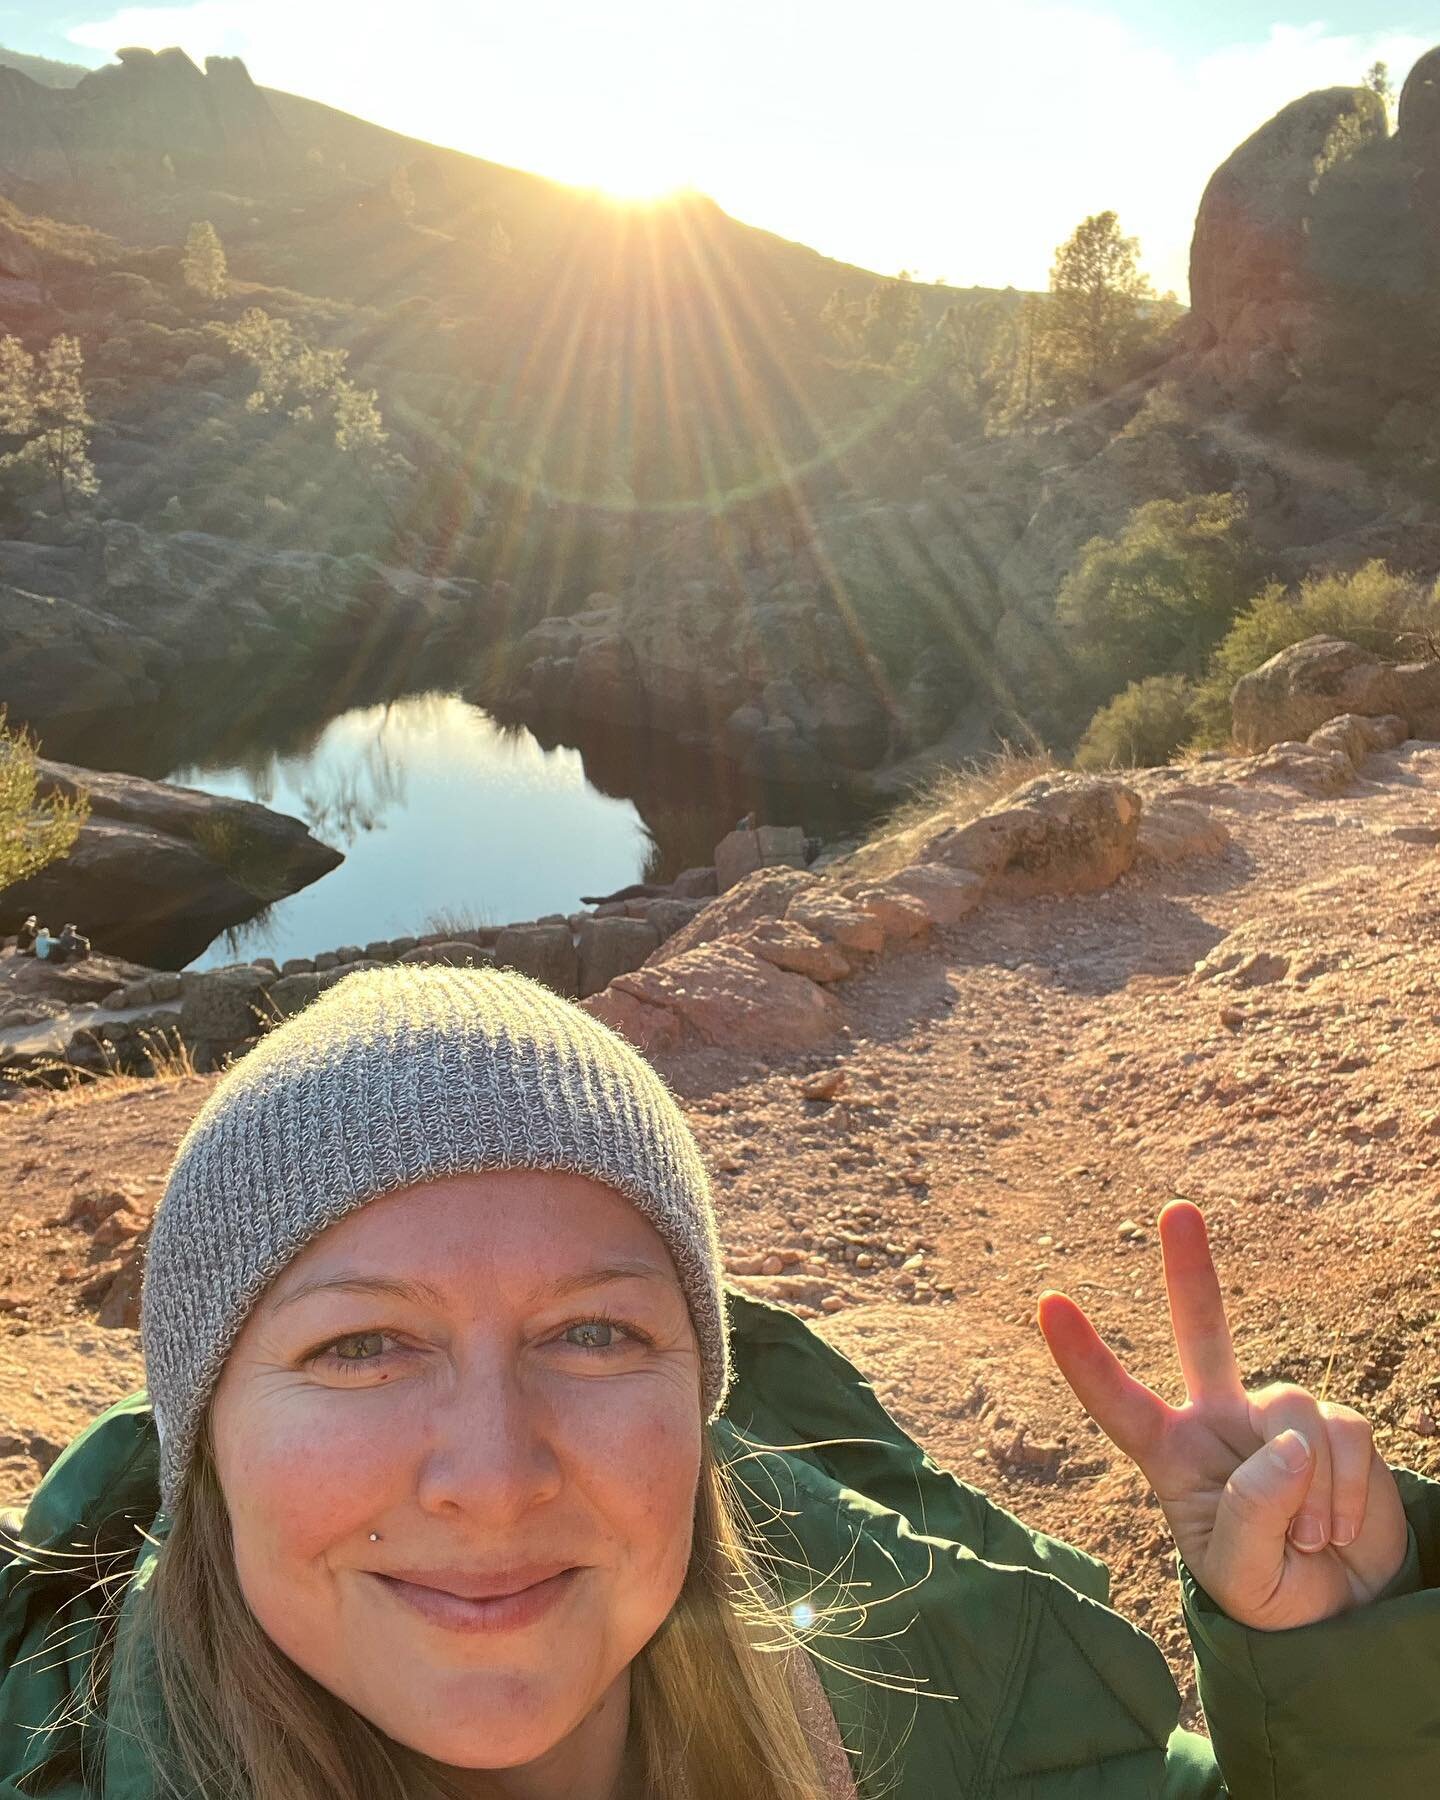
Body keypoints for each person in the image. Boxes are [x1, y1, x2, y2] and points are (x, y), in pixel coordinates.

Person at [0, 966, 1428, 1799]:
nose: (494, 1477)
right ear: (207, 1435)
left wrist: (1335, 1662)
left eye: (595, 1336)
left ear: (702, 1390)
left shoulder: (928, 1694)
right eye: (359, 1348)